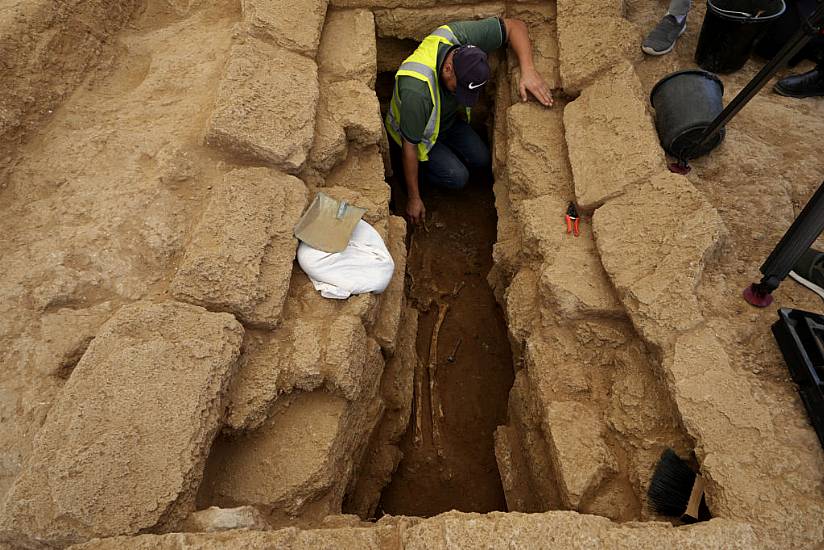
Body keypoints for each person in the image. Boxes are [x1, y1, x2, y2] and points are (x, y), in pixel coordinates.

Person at [385, 17, 553, 225]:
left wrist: (528, 70)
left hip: (445, 122)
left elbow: (515, 26)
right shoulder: (417, 91)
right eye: (459, 88)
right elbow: (409, 147)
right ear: (448, 69)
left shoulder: (461, 39)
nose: (461, 94)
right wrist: (414, 198)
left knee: (482, 159)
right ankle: (423, 179)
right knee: (457, 177)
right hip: (418, 137)